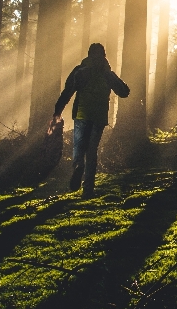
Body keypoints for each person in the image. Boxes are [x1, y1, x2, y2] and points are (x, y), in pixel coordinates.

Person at [54, 43, 130, 196]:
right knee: (92, 151)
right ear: (104, 55)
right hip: (99, 117)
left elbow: (68, 91)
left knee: (79, 147)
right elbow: (124, 92)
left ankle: (78, 166)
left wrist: (57, 112)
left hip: (82, 114)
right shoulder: (107, 73)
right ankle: (88, 189)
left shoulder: (80, 71)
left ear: (88, 54)